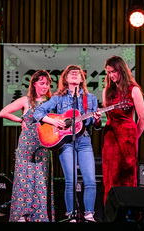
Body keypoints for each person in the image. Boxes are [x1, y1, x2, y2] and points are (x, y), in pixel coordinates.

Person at [33, 65, 102, 222]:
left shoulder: (89, 99)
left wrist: (97, 119)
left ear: (81, 79)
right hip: (66, 141)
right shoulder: (58, 98)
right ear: (65, 78)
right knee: (71, 180)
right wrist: (54, 122)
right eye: (71, 73)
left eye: (77, 73)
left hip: (84, 139)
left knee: (90, 180)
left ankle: (89, 215)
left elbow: (96, 126)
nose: (74, 74)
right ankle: (71, 215)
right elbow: (38, 113)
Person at [0, 70, 54, 222]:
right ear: (34, 83)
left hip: (44, 143)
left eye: (47, 83)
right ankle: (22, 214)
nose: (45, 86)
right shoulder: (26, 100)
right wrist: (20, 120)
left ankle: (39, 216)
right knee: (25, 177)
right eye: (42, 83)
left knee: (40, 179)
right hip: (26, 144)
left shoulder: (51, 100)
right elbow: (3, 113)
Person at [101, 55, 144, 203]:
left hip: (127, 136)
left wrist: (134, 138)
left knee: (126, 174)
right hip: (110, 138)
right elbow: (106, 115)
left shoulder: (133, 90)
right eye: (109, 72)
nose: (112, 75)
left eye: (115, 71)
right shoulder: (107, 91)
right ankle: (111, 212)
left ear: (122, 70)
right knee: (110, 175)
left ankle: (127, 213)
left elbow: (143, 118)